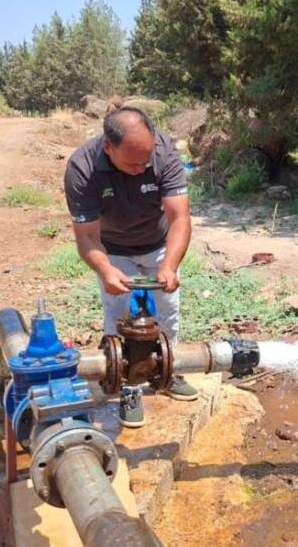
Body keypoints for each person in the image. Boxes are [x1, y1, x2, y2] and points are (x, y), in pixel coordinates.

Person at [63, 106, 198, 415]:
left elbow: (180, 218)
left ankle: (168, 370)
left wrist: (169, 266)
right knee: (117, 313)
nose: (142, 167)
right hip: (112, 248)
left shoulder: (164, 154)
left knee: (169, 310)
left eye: (146, 160)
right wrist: (107, 270)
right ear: (108, 149)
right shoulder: (82, 168)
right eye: (133, 163)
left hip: (158, 243)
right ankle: (126, 383)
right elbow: (86, 237)